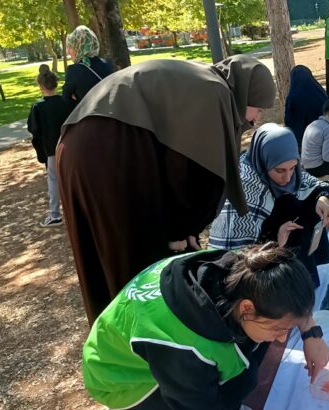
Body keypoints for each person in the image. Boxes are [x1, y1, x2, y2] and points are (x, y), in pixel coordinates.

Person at [57, 56, 276, 324]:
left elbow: (175, 157)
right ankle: (136, 342)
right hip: (107, 147)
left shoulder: (200, 80)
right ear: (246, 94)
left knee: (100, 257)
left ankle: (110, 341)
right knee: (134, 261)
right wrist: (183, 231)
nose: (256, 118)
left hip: (73, 143)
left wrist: (180, 229)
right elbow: (199, 174)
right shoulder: (216, 92)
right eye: (259, 109)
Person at [82, 243, 329, 410]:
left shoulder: (244, 269)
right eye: (280, 328)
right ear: (246, 308)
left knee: (247, 360)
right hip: (118, 378)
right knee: (239, 381)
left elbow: (287, 299)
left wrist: (311, 333)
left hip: (139, 345)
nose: (282, 337)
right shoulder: (180, 346)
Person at [209, 124, 329, 287]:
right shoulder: (244, 186)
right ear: (265, 160)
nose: (288, 177)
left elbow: (320, 187)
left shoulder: (289, 169)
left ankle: (307, 278)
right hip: (257, 265)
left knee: (306, 203)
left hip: (281, 245)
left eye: (292, 168)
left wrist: (323, 200)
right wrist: (275, 240)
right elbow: (234, 259)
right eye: (280, 170)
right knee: (289, 205)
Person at [27, 65, 70, 228]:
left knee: (53, 180)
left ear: (41, 86)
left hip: (52, 148)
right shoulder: (66, 102)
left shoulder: (38, 107)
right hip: (69, 146)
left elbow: (33, 129)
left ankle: (55, 214)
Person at [62, 25, 114, 108]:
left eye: (70, 47)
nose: (68, 52)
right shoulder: (108, 64)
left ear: (78, 47)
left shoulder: (74, 71)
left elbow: (66, 99)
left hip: (91, 117)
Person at [284, 65, 328, 150]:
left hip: (302, 141)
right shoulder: (320, 92)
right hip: (324, 137)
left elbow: (288, 121)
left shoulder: (293, 97)